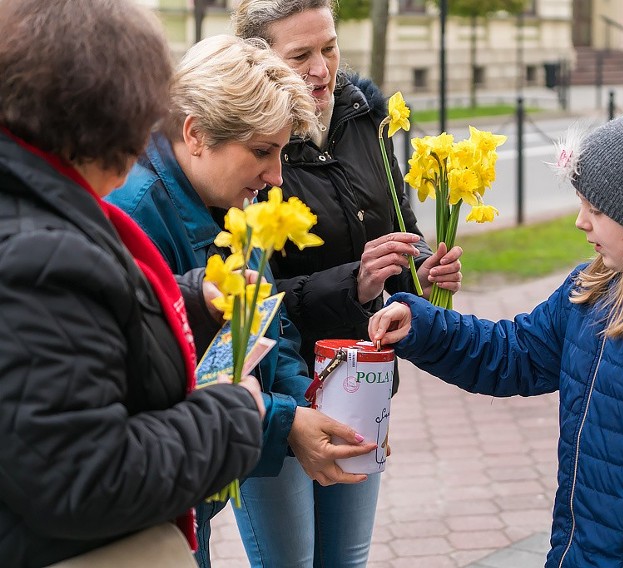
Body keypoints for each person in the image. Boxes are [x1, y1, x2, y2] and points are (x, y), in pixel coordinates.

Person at [370, 110, 623, 567]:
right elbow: (514, 353)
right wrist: (423, 325)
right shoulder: (591, 288)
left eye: (596, 210)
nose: (581, 221)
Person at [0, 1, 267, 566]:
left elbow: (85, 334)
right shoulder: (40, 252)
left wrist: (190, 300)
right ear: (113, 116)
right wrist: (232, 416)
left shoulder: (34, 215)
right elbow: (85, 476)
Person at [106, 35, 376, 568]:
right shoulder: (136, 214)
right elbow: (157, 389)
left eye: (280, 152)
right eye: (262, 151)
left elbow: (268, 327)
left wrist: (306, 405)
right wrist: (286, 422)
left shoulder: (223, 198)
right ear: (196, 134)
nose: (277, 176)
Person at [229, 1, 464, 566]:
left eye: (329, 48)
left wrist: (421, 268)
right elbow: (247, 293)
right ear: (259, 62)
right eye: (300, 55)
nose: (321, 70)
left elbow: (398, 225)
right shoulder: (247, 141)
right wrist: (352, 282)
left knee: (346, 558)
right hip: (276, 387)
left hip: (360, 376)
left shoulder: (365, 114)